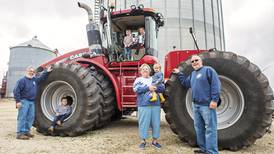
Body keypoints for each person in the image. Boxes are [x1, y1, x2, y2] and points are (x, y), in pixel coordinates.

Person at [173, 55, 221, 154]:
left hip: (207, 105)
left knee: (210, 129)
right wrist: (179, 73)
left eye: (196, 60)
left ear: (201, 61)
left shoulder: (208, 70)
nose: (194, 62)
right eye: (192, 61)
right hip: (196, 106)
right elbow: (186, 83)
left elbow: (216, 85)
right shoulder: (193, 74)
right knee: (199, 129)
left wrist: (214, 100)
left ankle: (212, 152)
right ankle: (204, 149)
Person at [13, 65, 53, 140]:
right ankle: (20, 133)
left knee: (31, 117)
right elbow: (16, 91)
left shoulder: (34, 80)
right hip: (24, 101)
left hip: (32, 102)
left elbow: (41, 78)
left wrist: (47, 72)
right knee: (22, 117)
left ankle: (26, 131)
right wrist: (18, 101)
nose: (32, 72)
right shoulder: (22, 80)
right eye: (30, 71)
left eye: (33, 71)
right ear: (27, 71)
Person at [133, 63, 165, 149]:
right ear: (140, 71)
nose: (145, 70)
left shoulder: (154, 78)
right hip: (143, 105)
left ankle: (155, 141)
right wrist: (148, 88)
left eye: (147, 68)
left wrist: (155, 88)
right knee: (143, 123)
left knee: (156, 123)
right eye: (143, 69)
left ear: (150, 71)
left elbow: (162, 88)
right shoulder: (138, 79)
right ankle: (143, 141)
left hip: (156, 105)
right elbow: (136, 89)